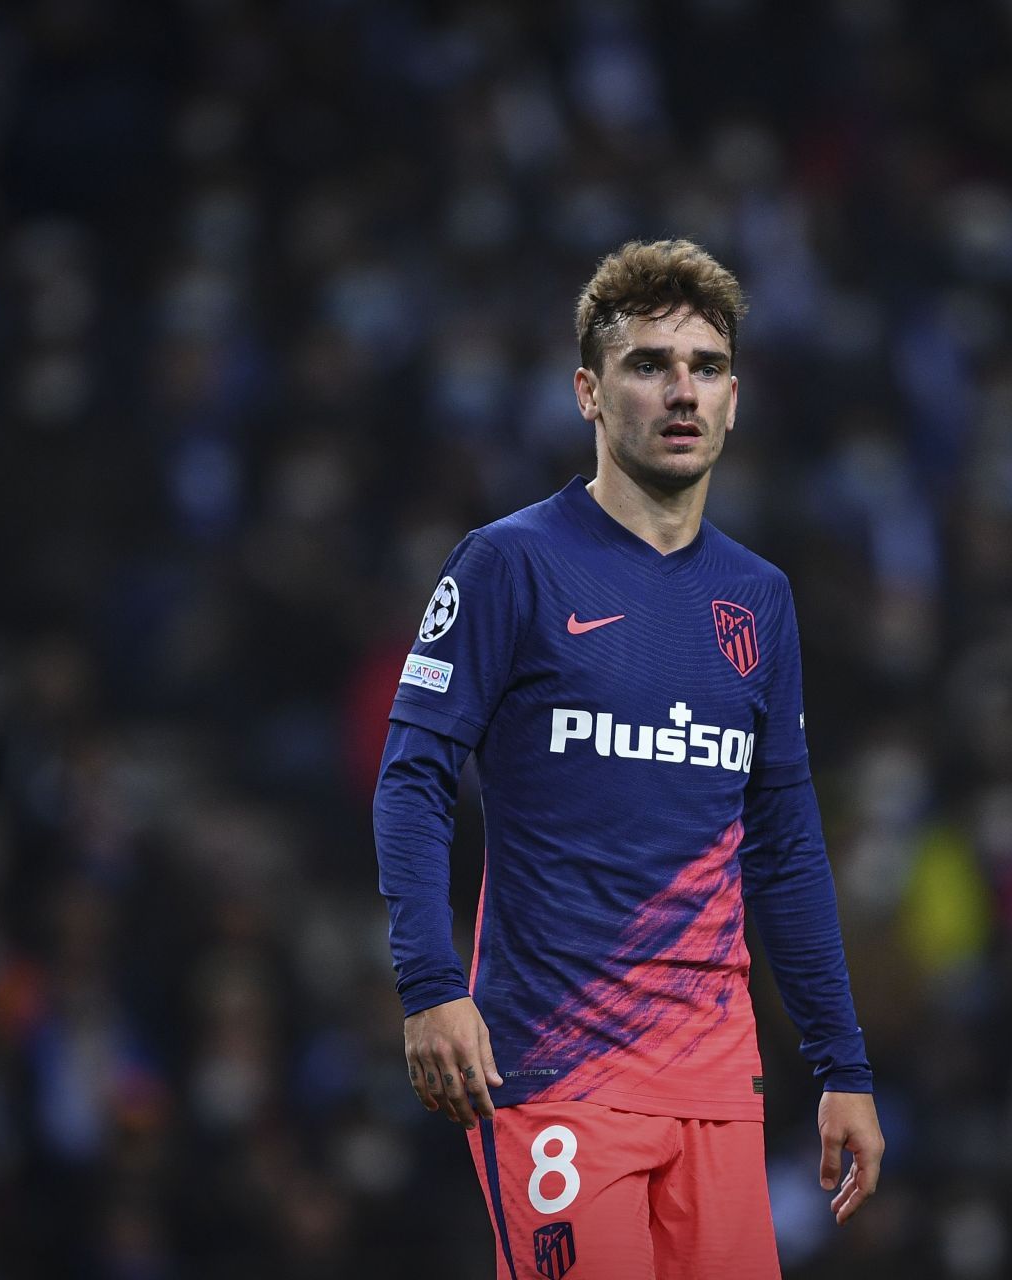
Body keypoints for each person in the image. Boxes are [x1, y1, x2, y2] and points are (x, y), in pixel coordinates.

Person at [373, 239, 884, 1278]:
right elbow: (413, 776)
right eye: (649, 364)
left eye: (705, 366)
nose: (681, 390)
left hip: (715, 1082)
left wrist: (842, 1061)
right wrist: (429, 983)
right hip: (556, 1065)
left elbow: (784, 846)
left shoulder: (760, 599)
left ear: (736, 399)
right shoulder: (508, 564)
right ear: (588, 393)